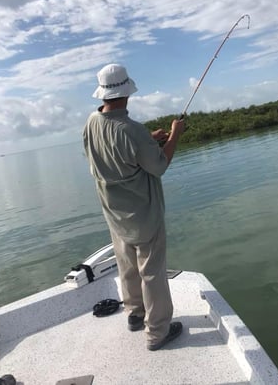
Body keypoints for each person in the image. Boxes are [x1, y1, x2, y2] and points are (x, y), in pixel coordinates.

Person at [83, 64, 185, 351]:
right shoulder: (132, 129)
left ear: (103, 93)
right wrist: (175, 134)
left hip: (113, 214)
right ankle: (157, 333)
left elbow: (107, 155)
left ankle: (134, 314)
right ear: (126, 91)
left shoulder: (91, 122)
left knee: (127, 266)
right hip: (143, 214)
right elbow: (159, 166)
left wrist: (148, 141)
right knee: (151, 272)